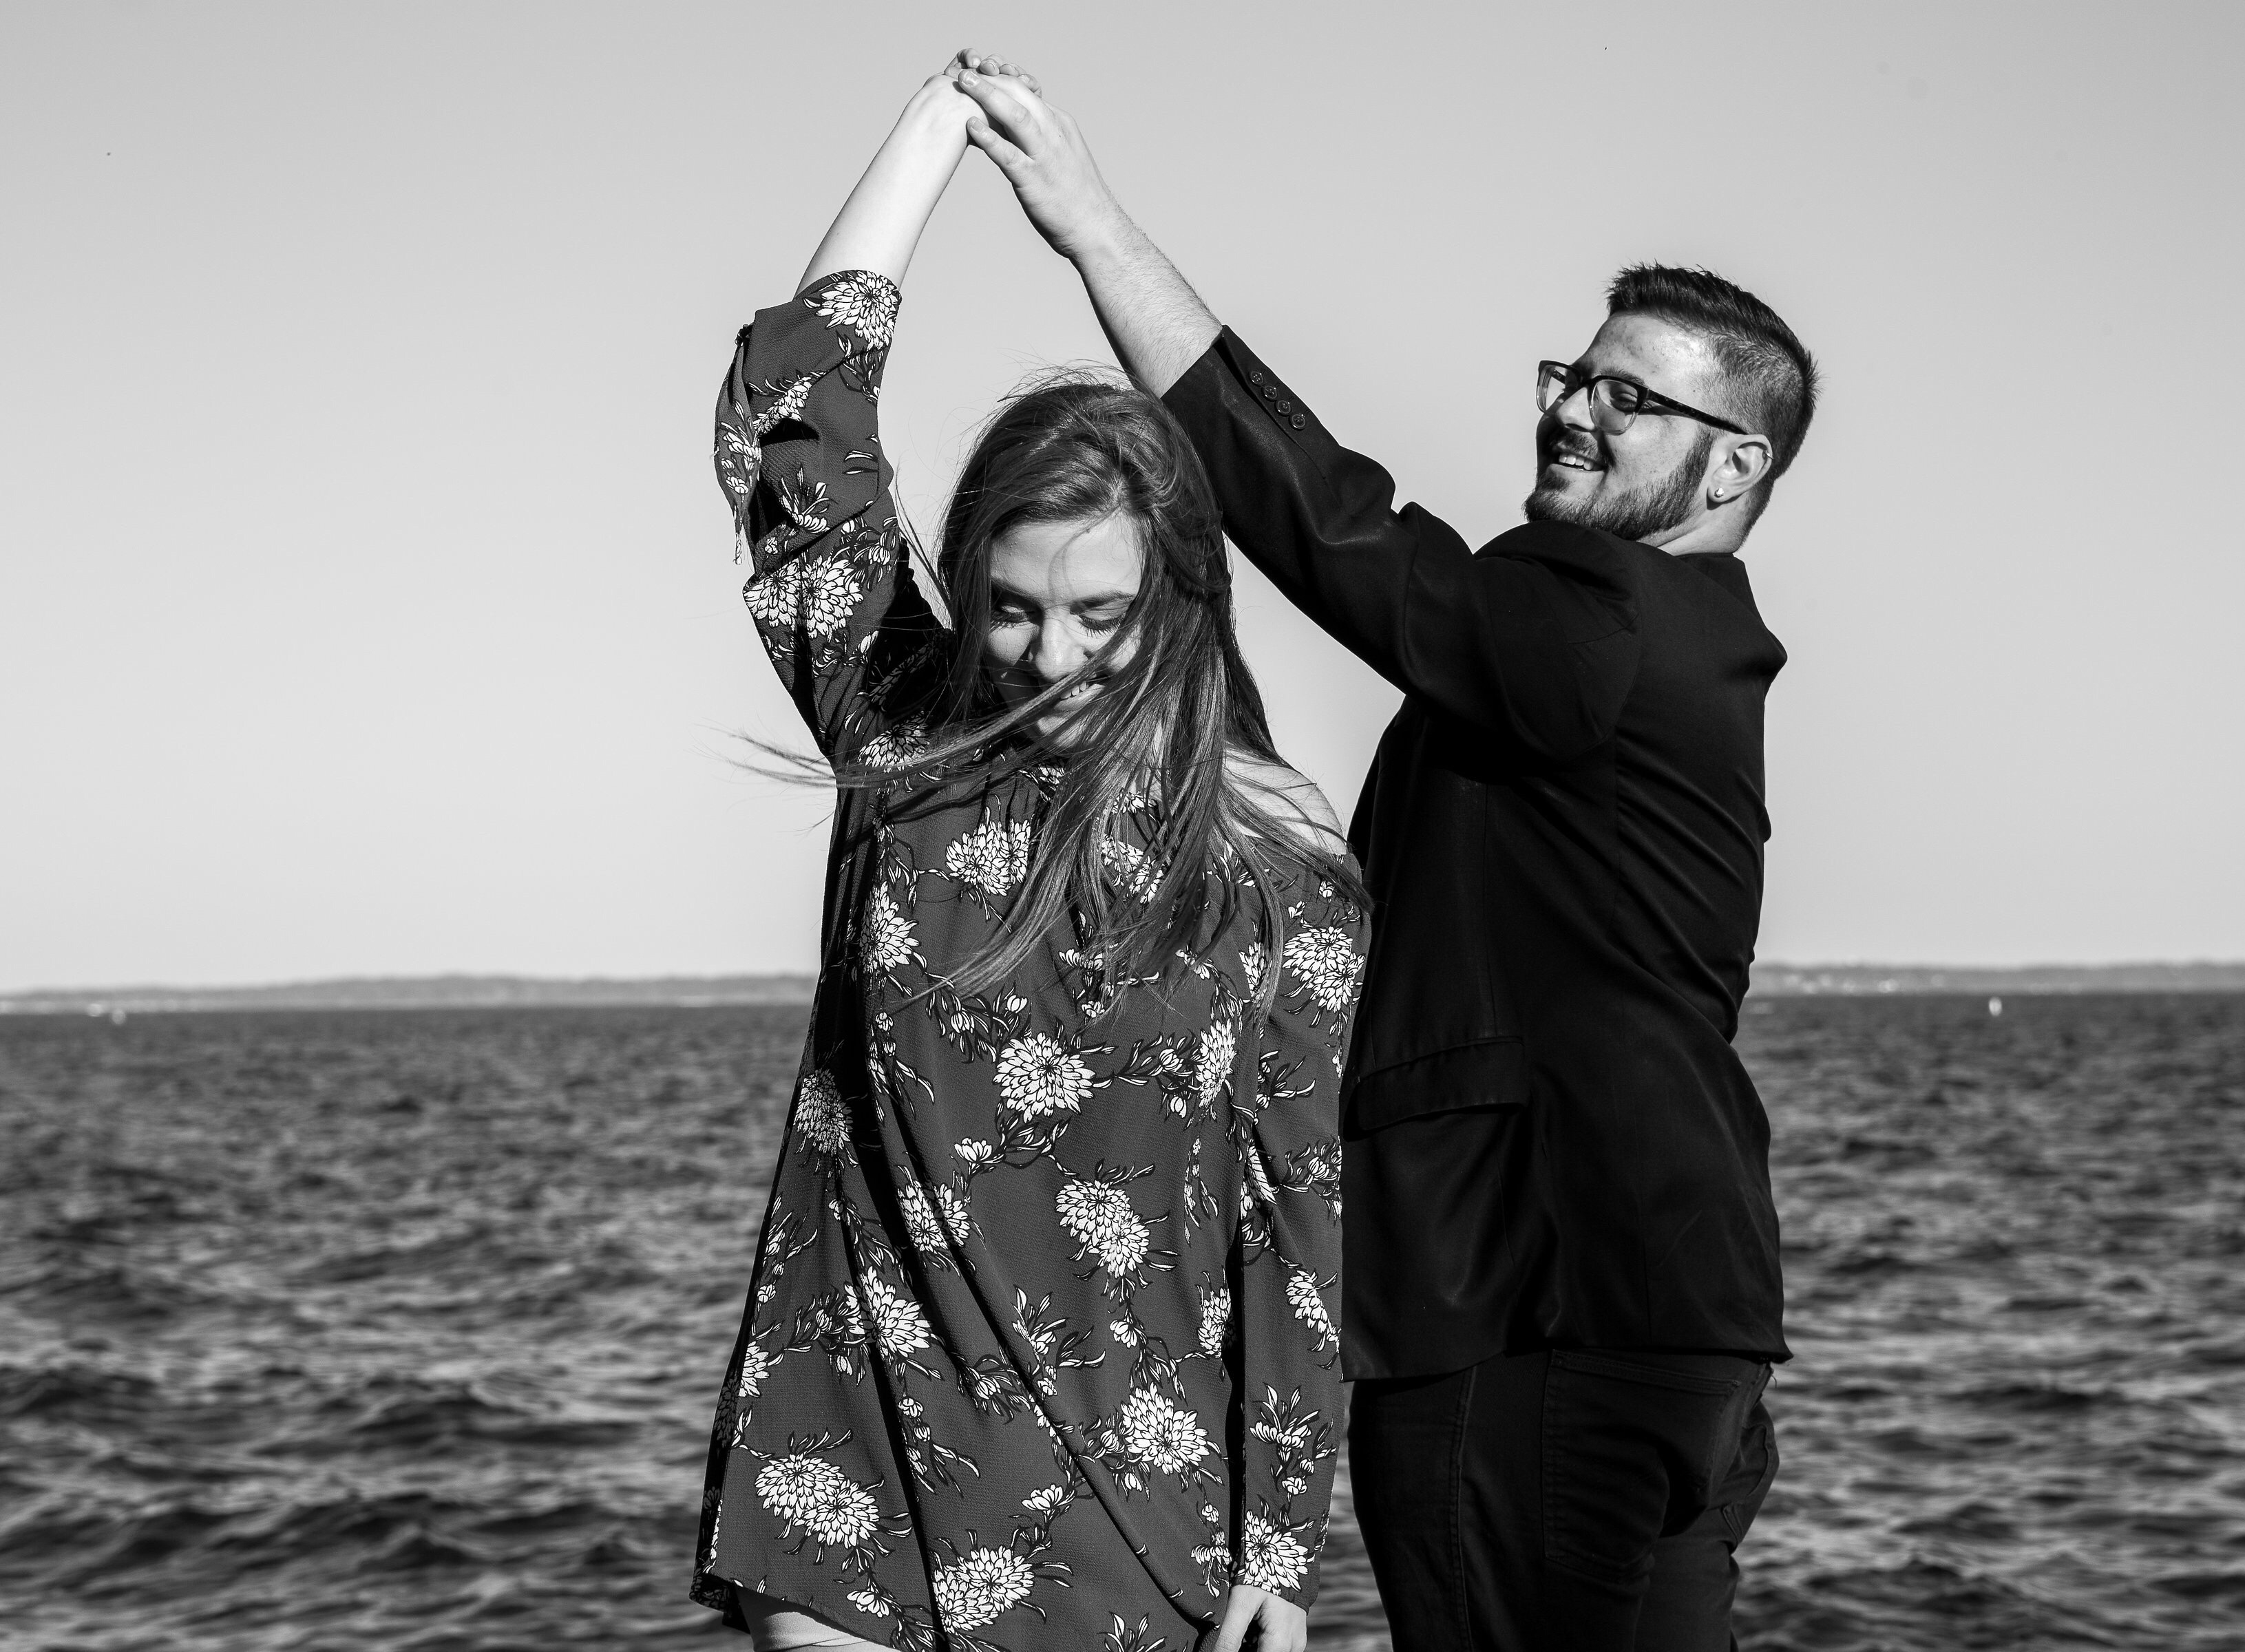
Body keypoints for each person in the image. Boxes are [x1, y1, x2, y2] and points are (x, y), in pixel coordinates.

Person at [947, 50, 1817, 1652]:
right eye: (1574, 374)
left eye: (1633, 400)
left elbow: (1336, 530)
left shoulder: (1598, 610)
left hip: (1525, 1301)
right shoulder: (1698, 659)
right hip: (1690, 1327)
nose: (1573, 408)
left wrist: (1095, 232)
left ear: (1737, 464)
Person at [696, 61, 1368, 1652]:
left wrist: (1281, 1547)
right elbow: (789, 428)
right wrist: (934, 131)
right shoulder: (906, 734)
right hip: (847, 1453)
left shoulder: (1278, 861)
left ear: (1179, 602)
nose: (1048, 658)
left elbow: (1298, 1212)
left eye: (1098, 617)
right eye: (1011, 610)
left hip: (1135, 1496)